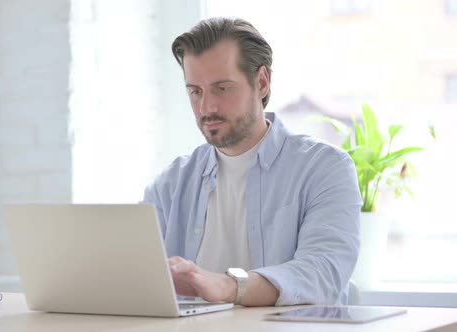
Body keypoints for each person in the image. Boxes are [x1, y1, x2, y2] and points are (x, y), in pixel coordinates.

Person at [142, 17, 362, 307]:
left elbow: (322, 274)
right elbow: (136, 275)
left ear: (261, 82)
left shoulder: (324, 169)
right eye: (195, 91)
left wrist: (228, 286)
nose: (206, 107)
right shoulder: (171, 184)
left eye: (222, 88)